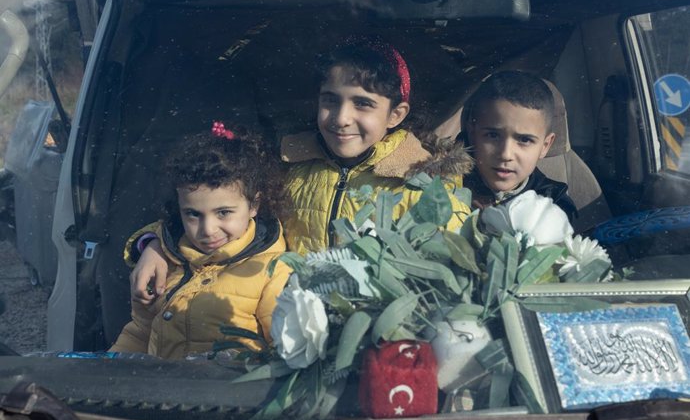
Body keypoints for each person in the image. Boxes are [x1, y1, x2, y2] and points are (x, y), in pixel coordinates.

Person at [129, 36, 473, 305]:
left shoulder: (424, 185)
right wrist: (157, 246)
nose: (341, 118)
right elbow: (217, 214)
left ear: (396, 115)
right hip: (280, 330)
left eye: (363, 104)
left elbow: (445, 279)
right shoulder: (287, 165)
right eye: (330, 100)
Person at [109, 125, 291, 359]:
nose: (207, 230)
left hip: (228, 393)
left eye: (223, 212)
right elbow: (140, 334)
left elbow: (283, 352)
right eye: (193, 214)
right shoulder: (166, 260)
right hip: (160, 391)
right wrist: (110, 373)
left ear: (254, 205)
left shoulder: (272, 272)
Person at [459, 70, 577, 218]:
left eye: (525, 140)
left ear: (545, 146)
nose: (505, 154)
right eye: (493, 135)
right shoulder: (445, 190)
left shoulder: (554, 207)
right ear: (472, 133)